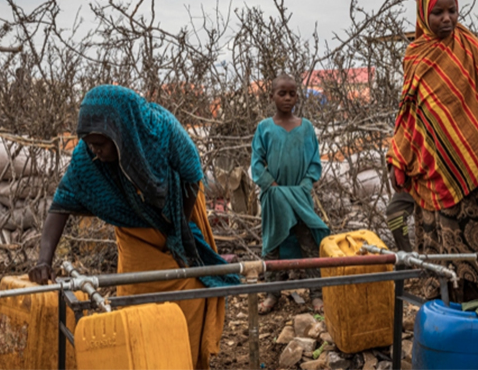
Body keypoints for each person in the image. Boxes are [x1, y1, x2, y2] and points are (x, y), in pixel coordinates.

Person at [29, 85, 237, 370]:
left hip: (180, 213)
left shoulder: (160, 130)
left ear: (120, 134)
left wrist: (177, 231)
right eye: (89, 144)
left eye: (100, 144)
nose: (94, 151)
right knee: (135, 297)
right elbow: (60, 205)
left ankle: (184, 361)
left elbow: (191, 174)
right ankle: (140, 361)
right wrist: (43, 260)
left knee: (190, 288)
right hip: (133, 230)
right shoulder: (86, 156)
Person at [387, 0, 478, 303]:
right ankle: (447, 307)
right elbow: (410, 112)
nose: (446, 18)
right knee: (437, 248)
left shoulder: (472, 49)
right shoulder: (415, 56)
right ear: (424, 14)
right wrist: (400, 157)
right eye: (437, 12)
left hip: (470, 167)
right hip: (429, 170)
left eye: (452, 10)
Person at [251, 74, 330, 314]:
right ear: (271, 96)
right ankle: (272, 294)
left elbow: (314, 163)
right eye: (282, 93)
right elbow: (256, 164)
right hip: (274, 199)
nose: (287, 98)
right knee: (272, 246)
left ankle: (316, 294)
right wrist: (272, 187)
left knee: (308, 242)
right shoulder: (264, 128)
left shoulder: (306, 128)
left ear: (298, 96)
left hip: (299, 198)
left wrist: (305, 186)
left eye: (292, 93)